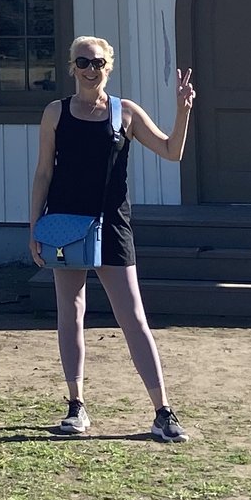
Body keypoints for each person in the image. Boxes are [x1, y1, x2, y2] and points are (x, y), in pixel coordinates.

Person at [26, 34, 197, 442]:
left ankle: (163, 412)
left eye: (97, 63)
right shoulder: (55, 113)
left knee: (133, 318)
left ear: (109, 67)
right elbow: (43, 174)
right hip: (65, 226)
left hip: (113, 227)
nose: (90, 70)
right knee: (71, 313)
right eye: (82, 62)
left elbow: (173, 151)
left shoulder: (126, 114)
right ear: (72, 67)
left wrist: (182, 110)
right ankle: (76, 407)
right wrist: (33, 227)